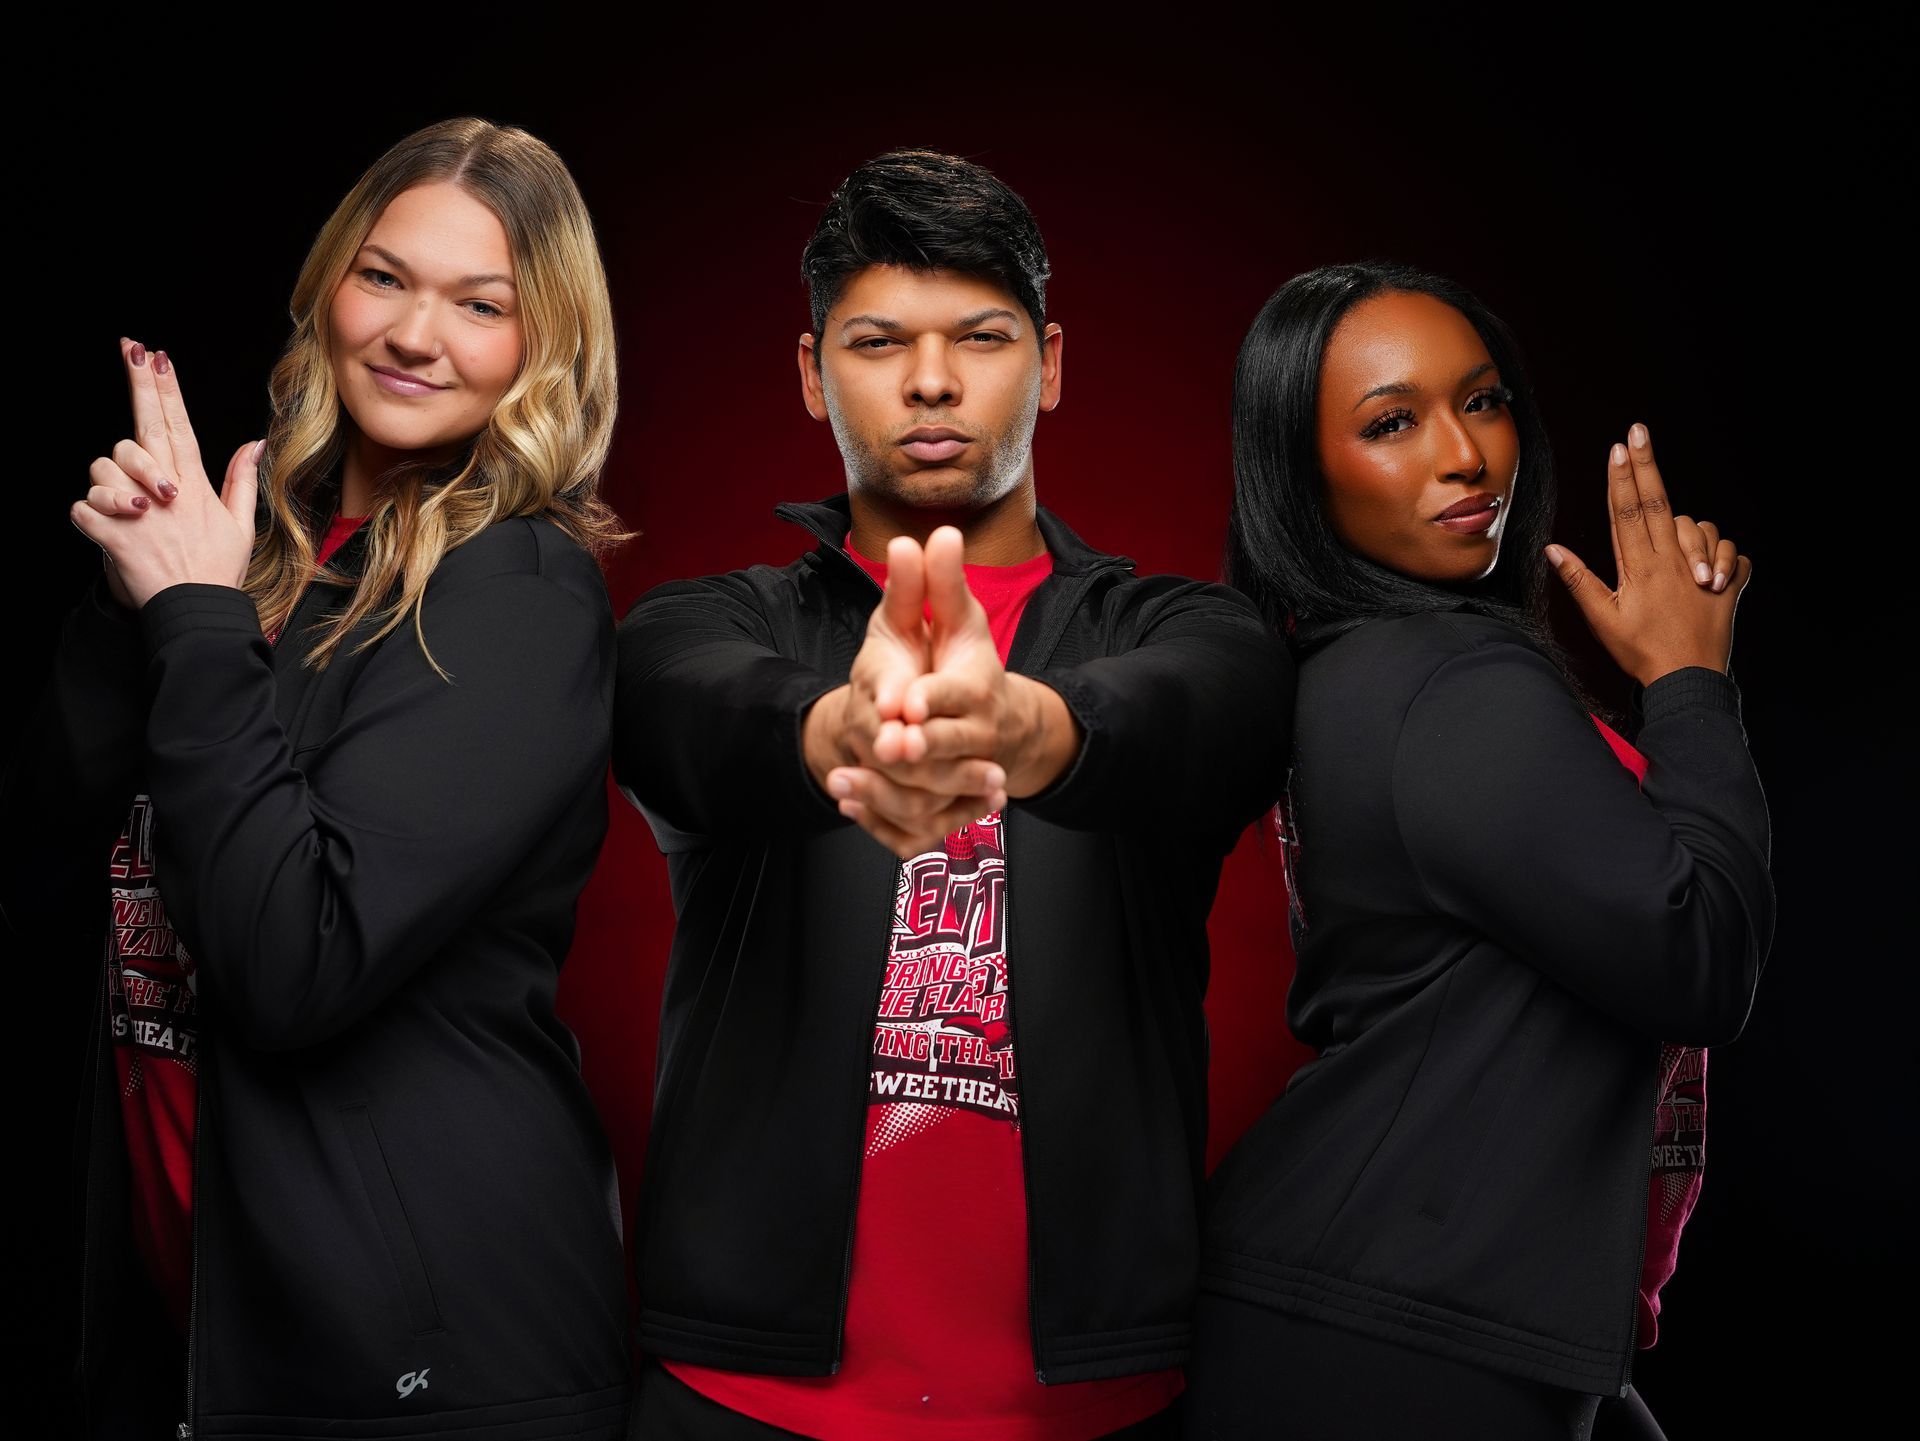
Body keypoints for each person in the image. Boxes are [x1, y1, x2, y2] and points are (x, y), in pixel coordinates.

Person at [614, 149, 1292, 1440]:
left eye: (980, 337)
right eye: (878, 341)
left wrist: (1037, 731)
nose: (931, 380)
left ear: (1051, 359)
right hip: (742, 1400)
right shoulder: (712, 624)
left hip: (1089, 1405)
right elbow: (678, 707)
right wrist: (839, 731)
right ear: (814, 374)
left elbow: (1218, 715)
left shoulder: (1177, 629)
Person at [5, 118, 634, 1439]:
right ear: (329, 282)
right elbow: (53, 839)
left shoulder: (517, 588)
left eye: (481, 304)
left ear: (546, 345)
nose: (415, 334)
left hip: (426, 1359)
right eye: (385, 276)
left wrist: (192, 615)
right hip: (195, 1312)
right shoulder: (262, 549)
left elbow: (296, 959)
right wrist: (142, 594)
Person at [1187, 262, 1773, 1440]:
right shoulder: (1454, 685)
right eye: (1392, 422)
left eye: (1486, 400)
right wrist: (1693, 683)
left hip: (1394, 1299)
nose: (1466, 456)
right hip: (1393, 1322)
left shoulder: (1349, 668)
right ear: (1302, 476)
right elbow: (1698, 958)